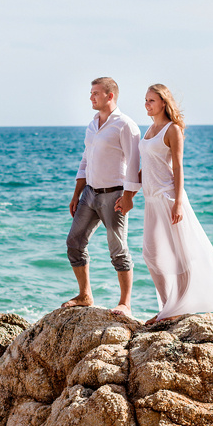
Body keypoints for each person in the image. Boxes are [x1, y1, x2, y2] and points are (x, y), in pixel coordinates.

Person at [140, 84, 213, 324]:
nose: (147, 104)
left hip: (168, 198)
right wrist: (128, 193)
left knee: (181, 255)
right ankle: (170, 306)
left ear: (164, 103)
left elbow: (177, 167)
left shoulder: (172, 129)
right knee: (151, 254)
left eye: (151, 101)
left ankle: (177, 308)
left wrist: (178, 202)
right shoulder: (149, 129)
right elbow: (146, 166)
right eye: (145, 100)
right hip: (151, 200)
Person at [63, 77, 141, 316]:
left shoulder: (125, 125)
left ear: (110, 96)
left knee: (118, 250)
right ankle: (85, 295)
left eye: (95, 93)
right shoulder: (92, 124)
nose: (90, 97)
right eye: (90, 93)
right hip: (89, 193)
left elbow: (135, 163)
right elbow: (85, 160)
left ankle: (125, 303)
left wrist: (129, 196)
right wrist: (77, 194)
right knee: (74, 243)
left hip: (114, 194)